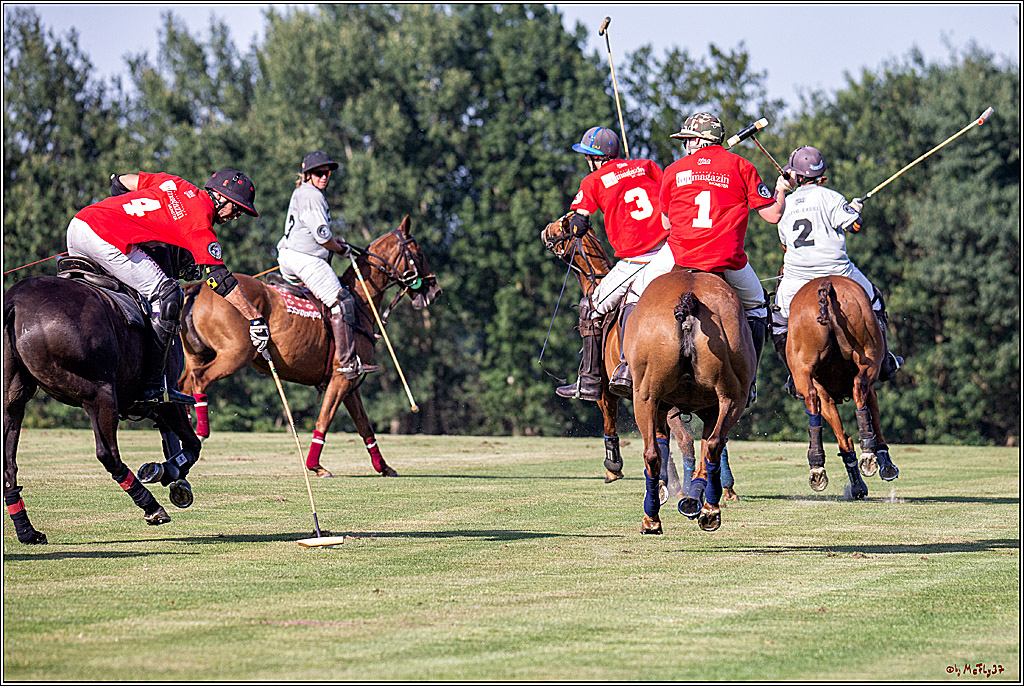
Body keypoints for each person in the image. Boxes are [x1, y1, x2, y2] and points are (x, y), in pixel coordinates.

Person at [613, 112, 793, 405]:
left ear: (698, 140)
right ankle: (749, 379)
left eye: (687, 140)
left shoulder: (673, 170)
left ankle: (624, 367)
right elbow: (773, 215)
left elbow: (668, 225)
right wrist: (782, 190)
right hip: (726, 258)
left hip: (679, 254)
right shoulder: (742, 166)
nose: (685, 146)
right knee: (759, 309)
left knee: (633, 294)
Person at [66, 168, 271, 408]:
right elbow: (219, 279)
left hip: (80, 224)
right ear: (220, 197)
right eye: (236, 208)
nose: (236, 216)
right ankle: (153, 385)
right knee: (169, 294)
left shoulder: (175, 184)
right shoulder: (199, 224)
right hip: (105, 239)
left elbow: (120, 183)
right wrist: (255, 318)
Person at [770, 145, 903, 395]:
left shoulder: (784, 205)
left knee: (776, 320)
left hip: (797, 279)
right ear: (822, 175)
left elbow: (786, 248)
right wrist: (854, 210)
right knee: (875, 301)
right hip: (838, 272)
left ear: (796, 176)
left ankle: (795, 374)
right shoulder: (831, 197)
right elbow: (855, 226)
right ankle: (884, 361)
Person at [555, 126, 669, 402]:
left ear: (598, 158)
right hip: (671, 253)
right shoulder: (647, 166)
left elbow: (579, 222)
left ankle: (591, 381)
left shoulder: (592, 182)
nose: (586, 162)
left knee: (590, 308)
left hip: (637, 260)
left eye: (588, 157)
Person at [276, 150, 377, 381]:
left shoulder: (302, 192)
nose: (324, 177)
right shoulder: (312, 194)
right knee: (342, 301)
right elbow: (322, 237)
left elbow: (318, 233)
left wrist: (334, 241)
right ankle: (347, 362)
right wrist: (339, 249)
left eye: (327, 173)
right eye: (319, 173)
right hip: (305, 259)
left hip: (290, 255)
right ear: (308, 175)